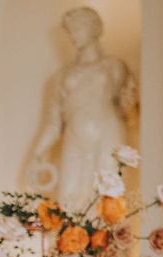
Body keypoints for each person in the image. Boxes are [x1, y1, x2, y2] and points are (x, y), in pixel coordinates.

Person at [27, 6, 137, 210]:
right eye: (70, 30)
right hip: (74, 138)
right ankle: (71, 240)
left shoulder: (114, 66)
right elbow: (53, 123)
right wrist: (37, 154)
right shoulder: (62, 76)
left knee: (109, 198)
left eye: (77, 28)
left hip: (108, 135)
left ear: (93, 28)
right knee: (68, 198)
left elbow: (128, 110)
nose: (72, 35)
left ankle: (111, 241)